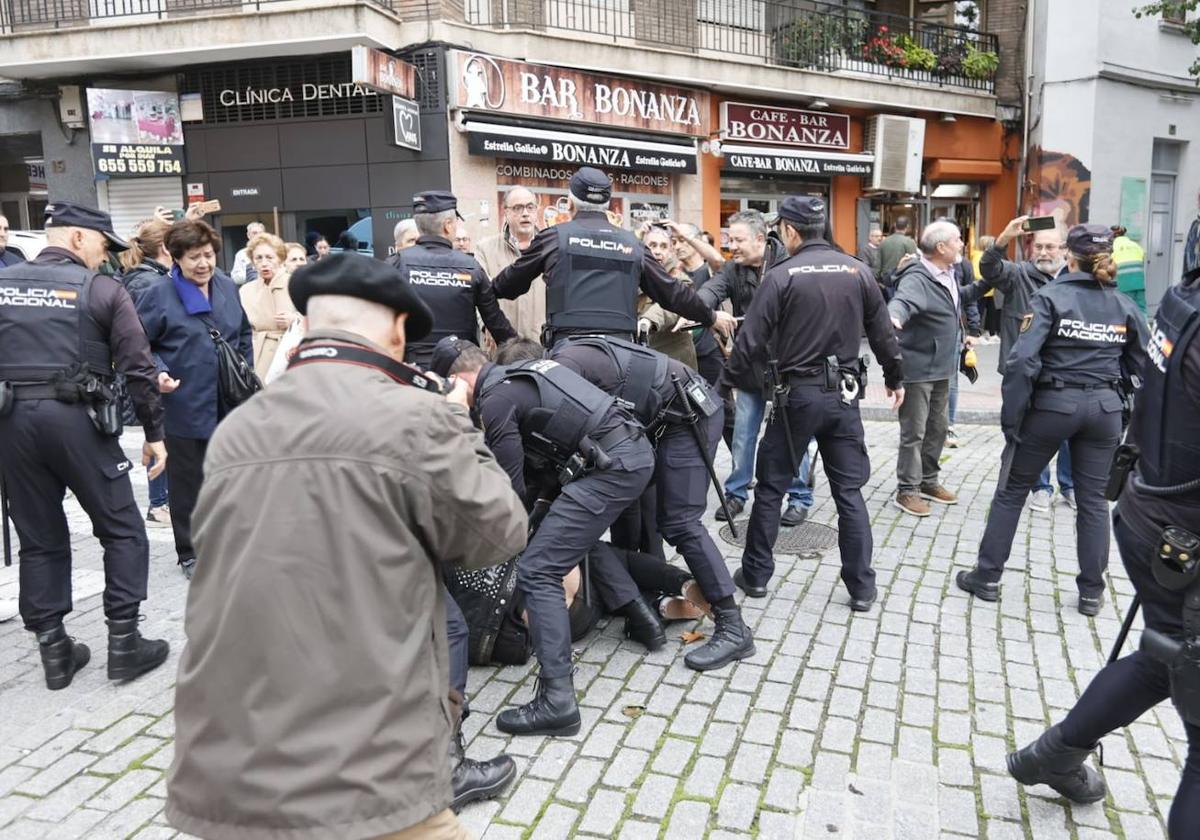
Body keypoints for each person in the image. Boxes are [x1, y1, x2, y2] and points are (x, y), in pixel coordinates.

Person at [166, 254, 526, 840]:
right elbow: (499, 534)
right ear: (396, 330)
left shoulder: (239, 428)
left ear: (307, 326)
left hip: (226, 763)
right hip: (364, 771)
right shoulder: (416, 418)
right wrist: (457, 423)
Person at [1007, 264, 1200, 837]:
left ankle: (1054, 754)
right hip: (1176, 531)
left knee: (1166, 658)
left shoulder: (1182, 292)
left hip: (1152, 513)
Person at [440, 342, 666, 736]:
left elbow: (505, 490)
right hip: (627, 454)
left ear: (458, 381)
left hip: (612, 465)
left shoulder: (494, 399)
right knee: (562, 550)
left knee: (539, 568)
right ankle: (648, 614)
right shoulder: (525, 373)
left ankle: (557, 701)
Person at [0, 201, 170, 690]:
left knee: (39, 538)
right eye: (101, 245)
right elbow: (139, 368)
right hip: (79, 422)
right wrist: (155, 436)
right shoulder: (101, 290)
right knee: (121, 529)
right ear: (76, 238)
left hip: (12, 424)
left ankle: (54, 652)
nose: (105, 256)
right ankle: (125, 645)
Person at [529, 334, 756, 671]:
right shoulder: (564, 361)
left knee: (679, 522)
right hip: (662, 420)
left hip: (688, 414)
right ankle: (648, 601)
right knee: (633, 502)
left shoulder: (563, 374)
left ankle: (733, 626)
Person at [957, 224, 1149, 615]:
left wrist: (1013, 420)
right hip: (1104, 411)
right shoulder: (1125, 305)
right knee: (1094, 501)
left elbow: (1023, 362)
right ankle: (1092, 591)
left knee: (1011, 492)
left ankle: (988, 576)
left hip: (1052, 407)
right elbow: (1142, 365)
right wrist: (1122, 404)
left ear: (1069, 256)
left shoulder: (1050, 297)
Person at [724, 196, 905, 610]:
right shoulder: (858, 271)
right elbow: (883, 337)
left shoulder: (781, 275)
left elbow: (749, 341)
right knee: (849, 494)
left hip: (797, 399)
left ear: (789, 230)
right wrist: (896, 379)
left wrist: (726, 385)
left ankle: (755, 576)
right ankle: (862, 588)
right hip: (844, 396)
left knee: (770, 488)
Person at [489, 167, 734, 349]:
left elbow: (509, 285)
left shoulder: (554, 238)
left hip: (567, 353)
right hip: (620, 354)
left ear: (571, 202)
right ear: (607, 203)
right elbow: (672, 293)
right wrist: (710, 316)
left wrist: (484, 286)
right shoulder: (633, 244)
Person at [134, 219, 252, 580]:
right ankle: (190, 551)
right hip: (184, 401)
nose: (203, 264)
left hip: (229, 399)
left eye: (208, 255)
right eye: (193, 258)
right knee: (187, 483)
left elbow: (243, 332)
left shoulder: (227, 286)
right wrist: (160, 370)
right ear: (175, 257)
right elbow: (139, 345)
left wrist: (243, 366)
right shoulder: (157, 294)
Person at [700, 210, 814, 527]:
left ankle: (799, 497)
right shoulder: (733, 270)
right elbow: (709, 291)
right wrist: (702, 310)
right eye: (728, 239)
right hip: (750, 366)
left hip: (787, 367)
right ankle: (737, 494)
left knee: (793, 437)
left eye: (737, 239)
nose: (731, 245)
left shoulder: (788, 264)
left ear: (760, 239)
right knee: (743, 436)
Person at [888, 220, 992, 517]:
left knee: (937, 429)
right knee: (914, 432)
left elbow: (959, 297)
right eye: (958, 239)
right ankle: (907, 490)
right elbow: (902, 301)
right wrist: (894, 316)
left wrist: (987, 283)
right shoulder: (917, 277)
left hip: (943, 366)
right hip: (918, 370)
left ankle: (928, 481)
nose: (963, 243)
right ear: (941, 247)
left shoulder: (948, 272)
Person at [981, 217, 1075, 510]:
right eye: (1039, 246)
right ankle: (1040, 487)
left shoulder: (1074, 280)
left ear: (1064, 249)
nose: (1044, 252)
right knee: (1032, 431)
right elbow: (989, 269)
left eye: (1051, 246)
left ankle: (1069, 486)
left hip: (1063, 368)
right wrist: (1003, 239)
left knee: (1068, 430)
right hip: (1025, 370)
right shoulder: (1018, 274)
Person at [388, 191, 515, 369]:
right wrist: (525, 355)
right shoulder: (471, 267)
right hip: (460, 367)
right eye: (455, 222)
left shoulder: (396, 264)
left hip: (411, 367)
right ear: (448, 225)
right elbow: (496, 323)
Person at [118, 217, 175, 528]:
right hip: (153, 374)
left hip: (152, 372)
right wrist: (160, 370)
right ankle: (158, 503)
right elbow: (143, 338)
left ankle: (162, 501)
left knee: (159, 433)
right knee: (158, 434)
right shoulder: (148, 282)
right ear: (166, 248)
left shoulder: (147, 276)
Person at [477, 187, 544, 341]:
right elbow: (479, 295)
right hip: (501, 345)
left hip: (541, 346)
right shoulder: (485, 248)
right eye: (518, 208)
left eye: (530, 207)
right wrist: (486, 326)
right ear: (506, 212)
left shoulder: (551, 248)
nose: (525, 213)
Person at [670, 220, 728, 390]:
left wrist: (687, 236)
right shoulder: (674, 274)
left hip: (709, 353)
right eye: (674, 242)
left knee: (720, 405)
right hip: (680, 355)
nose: (678, 246)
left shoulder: (709, 270)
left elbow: (718, 260)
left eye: (682, 240)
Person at [239, 232, 298, 380]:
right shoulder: (246, 290)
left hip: (289, 352)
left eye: (269, 257)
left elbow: (315, 317)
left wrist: (294, 320)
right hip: (257, 353)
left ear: (280, 259)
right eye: (258, 258)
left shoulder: (295, 284)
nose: (264, 263)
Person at [637, 224, 698, 369]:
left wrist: (647, 320)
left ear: (671, 252)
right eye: (652, 245)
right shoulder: (634, 276)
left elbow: (673, 305)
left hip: (675, 364)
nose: (658, 251)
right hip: (643, 360)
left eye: (664, 246)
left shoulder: (680, 279)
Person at [1112, 225, 1147, 314]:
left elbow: (1110, 265)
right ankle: (1145, 327)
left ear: (1113, 235)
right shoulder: (1135, 245)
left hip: (1123, 284)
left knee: (1124, 310)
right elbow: (1142, 256)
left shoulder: (1112, 247)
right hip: (1139, 283)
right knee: (1141, 309)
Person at [878, 215, 918, 283]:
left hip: (886, 279)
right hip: (903, 278)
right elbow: (913, 263)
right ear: (907, 227)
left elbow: (878, 264)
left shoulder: (884, 242)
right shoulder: (910, 242)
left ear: (895, 225)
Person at [230, 220, 264, 285]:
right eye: (254, 233)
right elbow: (235, 278)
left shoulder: (271, 251)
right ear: (248, 235)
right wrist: (251, 275)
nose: (258, 236)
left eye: (260, 233)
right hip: (249, 290)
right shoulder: (241, 254)